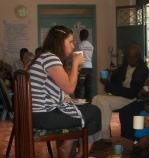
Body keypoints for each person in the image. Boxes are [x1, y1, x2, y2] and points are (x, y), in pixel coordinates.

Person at [29, 25, 101, 158]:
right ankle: (79, 154)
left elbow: (54, 86)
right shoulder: (50, 59)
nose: (73, 46)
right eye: (70, 42)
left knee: (86, 109)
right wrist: (75, 64)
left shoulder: (45, 57)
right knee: (94, 112)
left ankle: (68, 145)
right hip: (44, 117)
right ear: (60, 42)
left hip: (38, 114)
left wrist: (66, 98)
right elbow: (69, 88)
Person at [92, 43, 148, 141]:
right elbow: (117, 74)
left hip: (132, 99)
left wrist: (108, 85)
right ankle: (96, 134)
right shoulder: (126, 65)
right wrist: (109, 73)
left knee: (102, 101)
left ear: (138, 57)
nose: (129, 59)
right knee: (96, 98)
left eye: (132, 57)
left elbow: (131, 94)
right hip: (122, 95)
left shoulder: (142, 70)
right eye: (128, 57)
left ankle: (105, 136)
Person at [74, 29, 94, 102]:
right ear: (87, 36)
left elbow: (76, 58)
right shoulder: (91, 46)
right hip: (90, 68)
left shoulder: (79, 45)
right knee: (88, 88)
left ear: (80, 36)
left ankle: (79, 104)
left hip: (82, 69)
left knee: (79, 88)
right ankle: (88, 104)